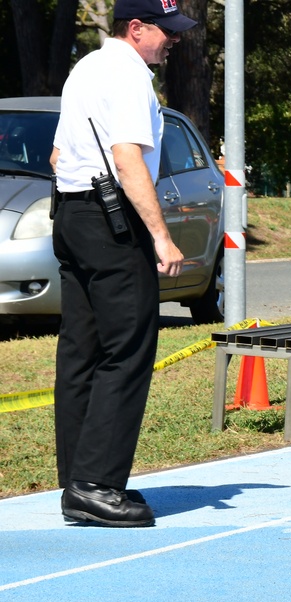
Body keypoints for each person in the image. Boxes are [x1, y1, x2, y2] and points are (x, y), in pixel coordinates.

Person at [48, 0, 195, 527]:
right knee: (128, 346)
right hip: (112, 218)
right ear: (136, 29)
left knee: (82, 350)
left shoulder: (85, 67)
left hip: (72, 211)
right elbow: (129, 156)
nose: (174, 40)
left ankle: (77, 481)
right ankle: (97, 485)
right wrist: (160, 236)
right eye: (167, 31)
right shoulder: (130, 75)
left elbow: (57, 156)